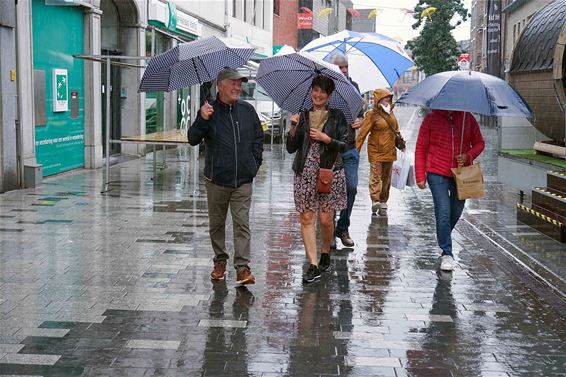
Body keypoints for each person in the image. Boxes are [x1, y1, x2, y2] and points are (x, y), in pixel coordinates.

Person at [188, 67, 264, 285]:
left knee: (242, 224)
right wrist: (202, 119)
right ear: (220, 85)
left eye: (240, 84)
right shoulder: (208, 111)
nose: (237, 87)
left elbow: (258, 137)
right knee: (217, 224)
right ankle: (220, 261)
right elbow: (192, 139)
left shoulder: (247, 110)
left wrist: (254, 164)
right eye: (233, 83)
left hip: (243, 180)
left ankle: (242, 268)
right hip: (217, 180)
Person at [286, 75, 349, 284]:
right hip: (305, 172)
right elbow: (290, 148)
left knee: (325, 219)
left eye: (322, 91)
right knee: (306, 218)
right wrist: (293, 127)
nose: (318, 95)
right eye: (315, 90)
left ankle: (325, 252)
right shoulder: (303, 116)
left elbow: (346, 144)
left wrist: (326, 139)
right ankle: (313, 264)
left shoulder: (337, 116)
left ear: (329, 95)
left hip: (328, 172)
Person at [414, 110, 485, 271]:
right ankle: (447, 253)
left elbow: (480, 142)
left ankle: (442, 232)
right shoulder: (431, 118)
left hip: (461, 173)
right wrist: (420, 175)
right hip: (436, 171)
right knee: (443, 211)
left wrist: (468, 155)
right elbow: (421, 148)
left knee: (456, 211)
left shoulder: (468, 118)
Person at [328, 52, 364, 248]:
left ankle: (343, 227)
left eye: (346, 66)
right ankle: (329, 229)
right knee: (330, 190)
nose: (343, 70)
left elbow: (361, 113)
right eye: (340, 67)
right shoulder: (326, 87)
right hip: (331, 148)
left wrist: (361, 119)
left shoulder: (354, 87)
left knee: (351, 187)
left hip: (349, 148)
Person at [356, 89, 402, 215]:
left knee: (386, 178)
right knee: (376, 176)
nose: (387, 100)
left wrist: (401, 143)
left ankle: (383, 201)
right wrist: (356, 150)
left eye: (388, 97)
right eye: (384, 97)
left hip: (390, 151)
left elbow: (396, 129)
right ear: (378, 99)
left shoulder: (391, 113)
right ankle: (375, 200)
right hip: (375, 151)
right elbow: (362, 133)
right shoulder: (372, 114)